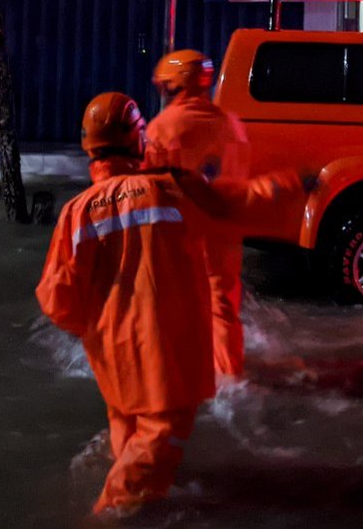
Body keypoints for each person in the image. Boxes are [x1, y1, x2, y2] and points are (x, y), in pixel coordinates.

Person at [36, 92, 299, 519]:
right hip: (166, 351)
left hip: (111, 354)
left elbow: (56, 299)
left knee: (127, 426)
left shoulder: (76, 213)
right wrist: (289, 186)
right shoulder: (174, 187)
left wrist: (99, 327)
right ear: (138, 140)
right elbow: (237, 205)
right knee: (160, 436)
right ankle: (105, 515)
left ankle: (144, 505)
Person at [143, 49, 254, 381]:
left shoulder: (161, 128)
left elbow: (149, 187)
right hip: (224, 231)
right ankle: (230, 376)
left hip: (179, 232)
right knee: (223, 309)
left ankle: (174, 376)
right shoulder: (231, 124)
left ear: (174, 86)